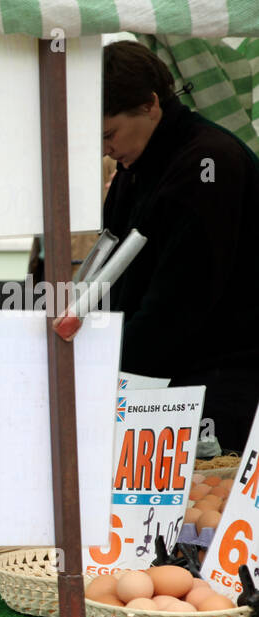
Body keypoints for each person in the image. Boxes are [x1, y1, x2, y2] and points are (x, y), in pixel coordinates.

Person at [74, 41, 259, 450]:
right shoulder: (135, 167)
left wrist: (112, 374)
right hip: (157, 383)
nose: (105, 148)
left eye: (109, 133)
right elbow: (111, 274)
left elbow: (179, 302)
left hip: (217, 389)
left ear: (150, 104)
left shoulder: (209, 165)